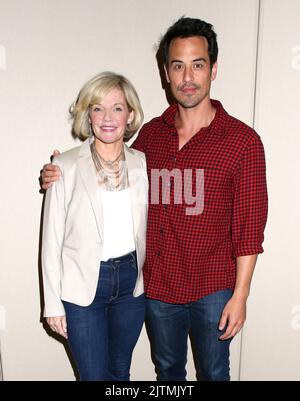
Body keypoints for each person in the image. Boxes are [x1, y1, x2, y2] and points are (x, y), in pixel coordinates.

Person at [42, 17, 268, 381]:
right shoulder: (150, 138)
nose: (188, 77)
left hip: (213, 288)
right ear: (166, 72)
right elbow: (107, 163)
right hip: (158, 288)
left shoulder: (242, 142)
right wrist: (61, 168)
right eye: (178, 66)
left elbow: (249, 228)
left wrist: (240, 296)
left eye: (198, 64)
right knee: (167, 373)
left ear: (213, 69)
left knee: (213, 372)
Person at [41, 71, 148, 381]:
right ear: (88, 114)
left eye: (117, 107)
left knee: (119, 373)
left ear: (130, 115)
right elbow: (51, 241)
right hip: (83, 287)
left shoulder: (142, 163)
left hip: (132, 284)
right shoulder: (65, 166)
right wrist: (52, 304)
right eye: (98, 107)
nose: (107, 117)